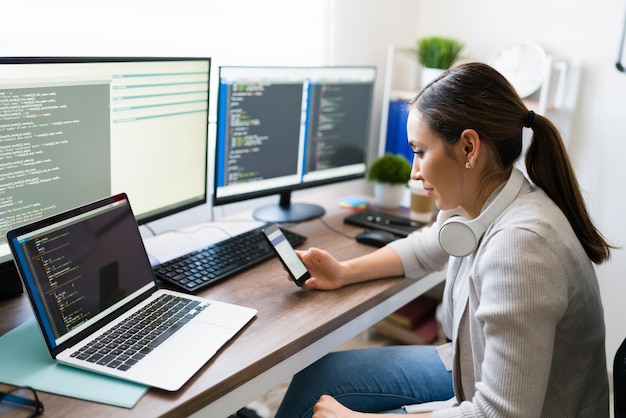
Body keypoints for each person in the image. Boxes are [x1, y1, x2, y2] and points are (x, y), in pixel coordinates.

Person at [274, 62, 613, 418]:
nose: (414, 171)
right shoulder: (487, 201)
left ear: (469, 148)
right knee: (317, 377)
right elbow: (426, 247)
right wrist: (343, 271)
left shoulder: (522, 248)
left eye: (419, 151)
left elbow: (500, 414)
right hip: (469, 366)